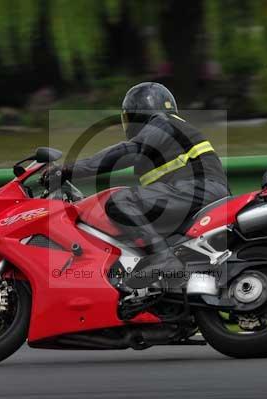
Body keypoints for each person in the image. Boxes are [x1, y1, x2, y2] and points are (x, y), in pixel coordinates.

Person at [42, 82, 229, 289]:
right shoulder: (171, 132)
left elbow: (124, 153)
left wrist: (68, 170)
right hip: (198, 191)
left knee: (120, 201)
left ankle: (163, 260)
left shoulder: (163, 123)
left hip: (200, 190)